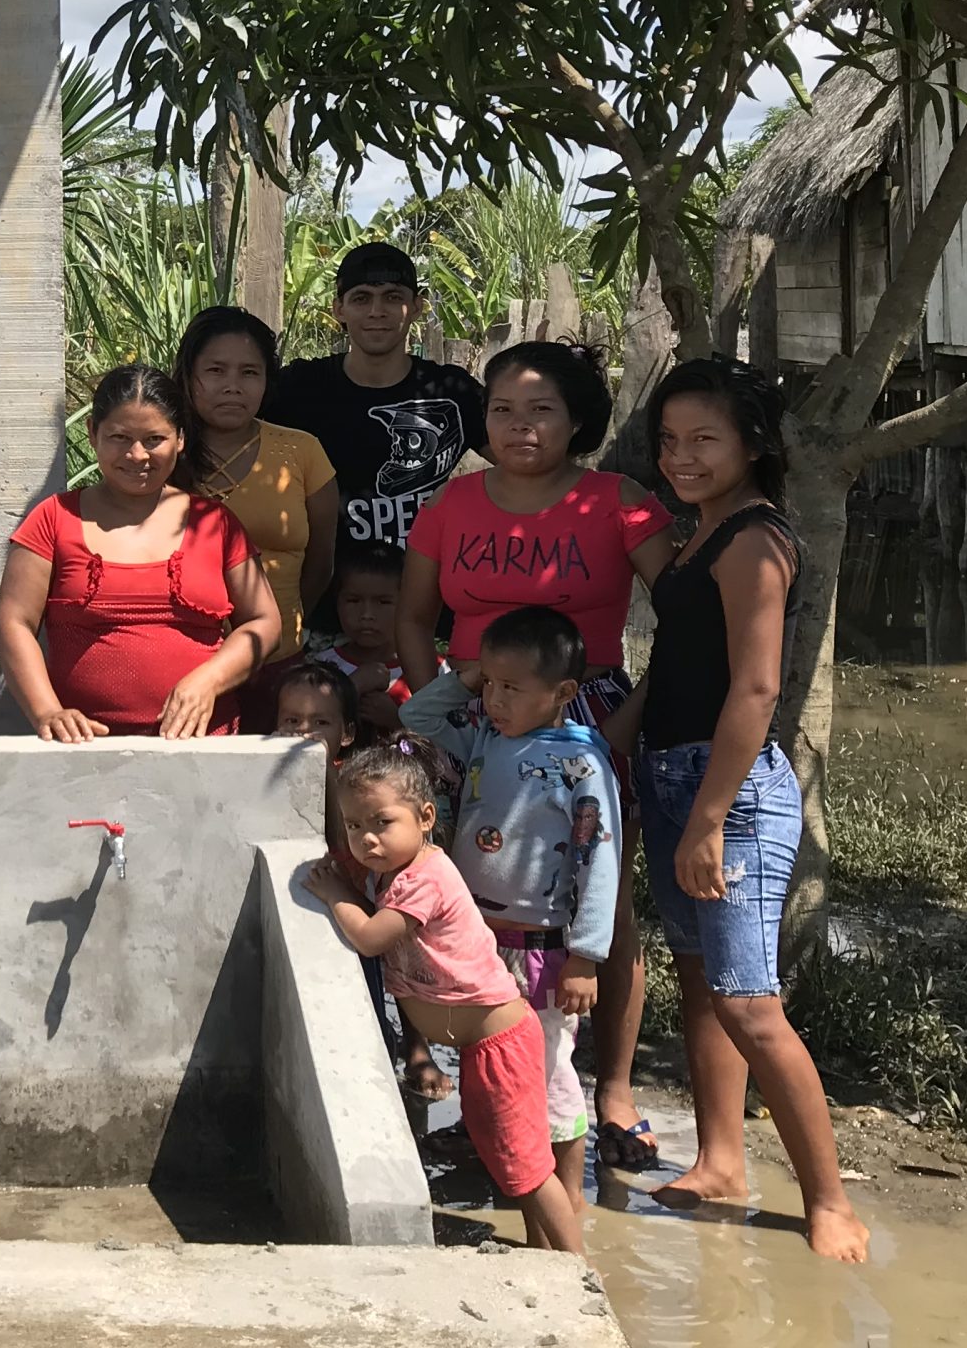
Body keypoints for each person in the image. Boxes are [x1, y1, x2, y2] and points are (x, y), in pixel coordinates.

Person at [399, 337, 673, 1170]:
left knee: (600, 902)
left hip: (585, 720)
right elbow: (414, 619)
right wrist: (444, 719)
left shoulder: (619, 502)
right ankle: (495, 1090)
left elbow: (687, 624)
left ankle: (613, 1092)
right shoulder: (452, 504)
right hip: (474, 721)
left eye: (541, 410)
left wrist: (620, 724)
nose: (520, 425)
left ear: (577, 420)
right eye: (503, 410)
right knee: (476, 894)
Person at [642, 358, 869, 1262]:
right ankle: (721, 1161)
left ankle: (831, 1202)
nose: (682, 457)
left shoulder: (755, 542)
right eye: (669, 440)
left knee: (749, 1002)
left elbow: (757, 688)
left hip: (726, 796)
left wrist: (707, 819)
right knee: (702, 984)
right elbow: (677, 664)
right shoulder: (701, 532)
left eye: (705, 440)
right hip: (672, 777)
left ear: (753, 444)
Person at [307, 744, 584, 1253]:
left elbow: (369, 937)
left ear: (426, 818)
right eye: (353, 825)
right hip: (483, 1047)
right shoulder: (394, 870)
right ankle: (543, 1253)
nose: (366, 837)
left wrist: (335, 895)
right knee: (513, 1161)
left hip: (501, 1045)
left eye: (382, 822)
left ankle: (576, 1266)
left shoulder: (425, 879)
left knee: (526, 1165)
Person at [399, 606, 623, 1231]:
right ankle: (523, 1189)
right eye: (490, 685)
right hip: (480, 944)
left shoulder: (583, 764)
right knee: (498, 1070)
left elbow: (599, 862)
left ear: (564, 692)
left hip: (543, 949)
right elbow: (417, 719)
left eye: (512, 688)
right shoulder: (485, 738)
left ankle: (567, 1202)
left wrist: (586, 956)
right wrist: (467, 679)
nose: (495, 700)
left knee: (548, 1075)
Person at [0, 364, 281, 740]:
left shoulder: (214, 523)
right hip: (83, 750)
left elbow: (265, 622)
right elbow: (13, 623)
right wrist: (47, 711)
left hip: (202, 749)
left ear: (180, 438)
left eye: (154, 439)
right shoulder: (53, 518)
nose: (136, 454)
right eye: (119, 437)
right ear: (92, 433)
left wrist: (209, 680)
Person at [261, 241, 487, 600]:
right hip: (325, 604)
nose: (377, 311)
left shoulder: (451, 392)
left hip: (430, 605)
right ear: (339, 309)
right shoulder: (299, 388)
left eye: (392, 297)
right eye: (361, 298)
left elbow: (531, 464)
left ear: (417, 307)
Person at [174, 305, 338, 729]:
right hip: (186, 669)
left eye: (249, 372)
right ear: (188, 375)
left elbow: (321, 562)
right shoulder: (161, 453)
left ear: (267, 380)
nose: (232, 386)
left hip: (281, 666)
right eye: (215, 371)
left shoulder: (302, 452)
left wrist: (285, 622)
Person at [317, 539, 412, 736]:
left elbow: (451, 744)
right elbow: (307, 725)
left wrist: (398, 722)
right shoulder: (321, 667)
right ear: (337, 602)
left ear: (407, 603)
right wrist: (353, 686)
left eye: (383, 602)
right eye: (354, 600)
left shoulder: (430, 670)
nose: (367, 614)